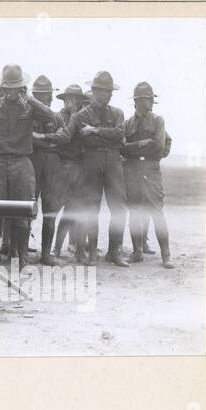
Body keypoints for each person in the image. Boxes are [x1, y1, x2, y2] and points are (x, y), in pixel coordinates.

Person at [0, 64, 58, 267]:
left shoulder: (29, 106)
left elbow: (53, 117)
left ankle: (22, 257)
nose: (12, 91)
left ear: (22, 87)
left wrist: (31, 98)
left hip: (21, 162)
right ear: (3, 87)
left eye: (16, 86)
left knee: (23, 212)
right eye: (8, 87)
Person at [52, 70, 130, 266]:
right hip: (91, 163)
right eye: (105, 90)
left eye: (110, 91)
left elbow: (119, 135)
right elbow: (69, 137)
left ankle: (114, 252)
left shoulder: (118, 113)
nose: (109, 94)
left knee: (119, 208)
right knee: (91, 209)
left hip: (113, 162)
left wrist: (95, 131)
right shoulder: (80, 116)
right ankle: (93, 252)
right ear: (95, 91)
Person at [122, 81, 175, 268]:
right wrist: (141, 145)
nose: (150, 102)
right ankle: (137, 252)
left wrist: (154, 154)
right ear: (137, 101)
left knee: (157, 213)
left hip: (151, 170)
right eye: (147, 99)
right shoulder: (127, 123)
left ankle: (166, 256)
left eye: (151, 99)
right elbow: (121, 147)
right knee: (135, 213)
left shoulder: (158, 120)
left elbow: (160, 144)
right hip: (132, 170)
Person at [49, 84, 88, 261]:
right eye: (67, 98)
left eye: (75, 99)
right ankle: (55, 249)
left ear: (80, 101)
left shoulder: (85, 116)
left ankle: (80, 250)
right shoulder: (58, 117)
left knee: (77, 211)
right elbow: (61, 139)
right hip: (63, 167)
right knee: (58, 209)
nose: (70, 102)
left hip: (80, 168)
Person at [28, 75, 65, 265]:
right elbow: (26, 138)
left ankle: (46, 254)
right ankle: (22, 253)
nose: (47, 98)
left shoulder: (56, 117)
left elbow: (63, 138)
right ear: (34, 96)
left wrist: (41, 137)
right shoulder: (26, 116)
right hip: (32, 163)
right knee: (28, 207)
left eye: (48, 94)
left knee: (51, 208)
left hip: (52, 165)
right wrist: (49, 141)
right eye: (42, 95)